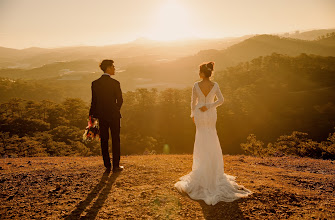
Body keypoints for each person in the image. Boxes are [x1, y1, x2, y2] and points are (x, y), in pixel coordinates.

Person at [174, 61, 252, 205]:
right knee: (211, 137)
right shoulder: (214, 85)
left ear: (203, 73)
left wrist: (193, 114)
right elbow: (221, 100)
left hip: (199, 114)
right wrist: (209, 106)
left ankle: (203, 170)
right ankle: (211, 170)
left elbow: (193, 102)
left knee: (201, 138)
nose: (198, 74)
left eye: (199, 71)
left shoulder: (196, 85)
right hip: (210, 114)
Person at [89, 59, 124, 172]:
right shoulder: (115, 83)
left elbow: (94, 101)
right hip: (114, 116)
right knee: (115, 140)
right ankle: (116, 166)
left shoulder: (95, 83)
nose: (114, 69)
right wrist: (115, 110)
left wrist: (92, 116)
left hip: (101, 116)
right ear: (108, 68)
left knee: (104, 140)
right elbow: (120, 100)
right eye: (113, 67)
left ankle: (107, 166)